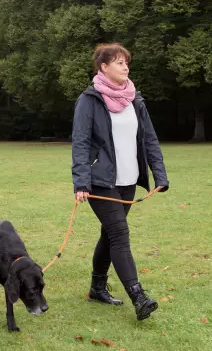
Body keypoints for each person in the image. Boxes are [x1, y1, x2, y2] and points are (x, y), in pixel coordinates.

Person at [71, 43, 169, 321]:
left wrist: (159, 174)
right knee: (119, 234)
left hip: (127, 181)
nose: (125, 66)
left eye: (126, 62)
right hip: (100, 181)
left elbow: (149, 139)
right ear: (103, 67)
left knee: (109, 233)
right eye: (118, 62)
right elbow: (80, 143)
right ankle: (138, 296)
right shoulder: (89, 100)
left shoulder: (134, 100)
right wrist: (81, 182)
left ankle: (97, 287)